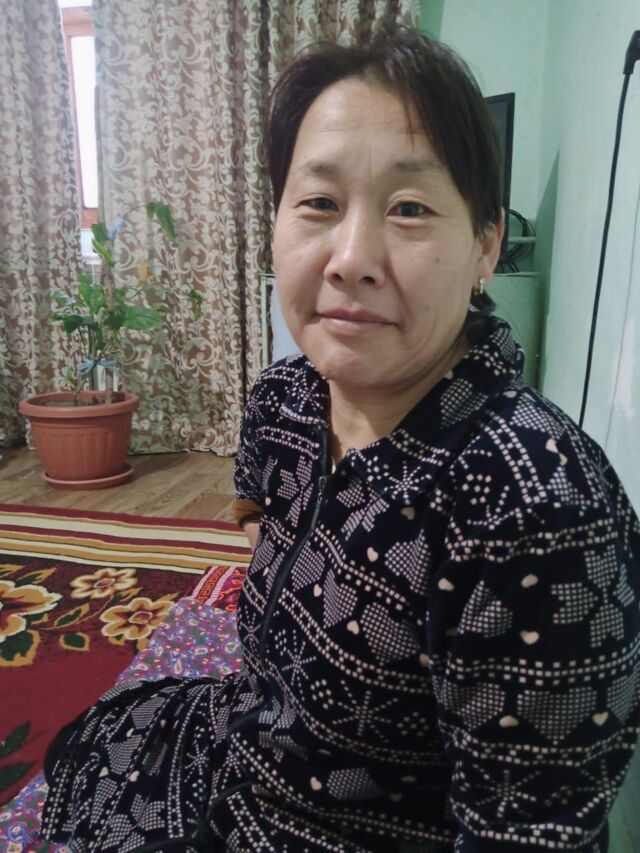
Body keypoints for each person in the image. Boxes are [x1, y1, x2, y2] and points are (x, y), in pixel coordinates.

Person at [41, 23, 640, 853]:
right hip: (251, 747)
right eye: (319, 203)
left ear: (486, 245)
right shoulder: (287, 398)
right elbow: (262, 525)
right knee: (78, 749)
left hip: (352, 831)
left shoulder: (536, 508)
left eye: (409, 208)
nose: (351, 257)